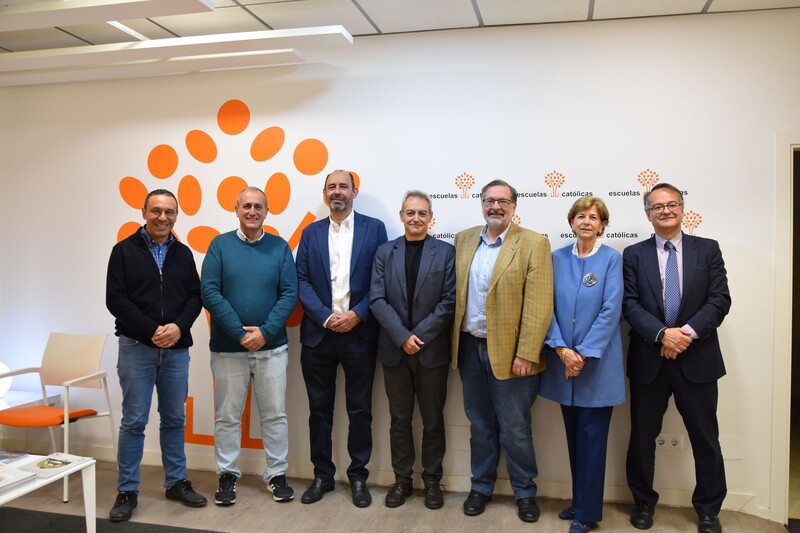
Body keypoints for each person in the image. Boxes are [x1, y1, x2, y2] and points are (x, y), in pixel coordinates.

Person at [623, 183, 731, 533]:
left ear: (682, 209)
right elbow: (629, 304)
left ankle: (709, 510)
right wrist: (661, 334)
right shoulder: (633, 254)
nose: (666, 210)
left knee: (705, 438)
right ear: (648, 214)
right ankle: (643, 503)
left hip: (697, 359)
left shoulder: (708, 249)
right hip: (649, 360)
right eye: (657, 207)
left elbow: (720, 299)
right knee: (642, 437)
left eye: (672, 204)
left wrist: (683, 334)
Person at [451, 179, 553, 523]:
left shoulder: (533, 243)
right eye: (489, 200)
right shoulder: (464, 239)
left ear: (514, 207)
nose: (495, 207)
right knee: (479, 424)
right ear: (482, 204)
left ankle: (525, 492)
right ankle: (481, 487)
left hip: (513, 355)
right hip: (470, 348)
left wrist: (527, 352)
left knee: (515, 428)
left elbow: (539, 304)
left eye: (503, 201)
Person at [105, 189, 207, 522]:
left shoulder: (183, 253)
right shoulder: (123, 251)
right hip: (137, 347)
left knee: (175, 418)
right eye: (156, 211)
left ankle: (176, 482)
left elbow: (195, 296)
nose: (163, 218)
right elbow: (116, 300)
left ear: (176, 215)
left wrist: (178, 327)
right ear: (144, 212)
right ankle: (127, 490)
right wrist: (152, 330)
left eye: (169, 212)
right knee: (134, 421)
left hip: (176, 350)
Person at [296, 169, 388, 508]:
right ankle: (322, 475)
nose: (337, 191)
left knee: (360, 409)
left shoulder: (374, 229)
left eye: (343, 186)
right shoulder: (310, 232)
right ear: (325, 194)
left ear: (354, 192)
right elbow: (301, 280)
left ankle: (358, 476)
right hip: (318, 335)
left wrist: (357, 314)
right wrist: (325, 316)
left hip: (359, 334)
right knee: (319, 410)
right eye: (332, 187)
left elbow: (381, 279)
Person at [201, 187, 298, 505]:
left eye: (258, 206)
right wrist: (241, 334)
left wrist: (265, 333)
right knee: (227, 417)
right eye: (246, 206)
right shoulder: (219, 245)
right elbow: (210, 292)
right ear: (236, 209)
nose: (252, 211)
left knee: (275, 415)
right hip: (228, 349)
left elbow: (289, 294)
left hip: (272, 349)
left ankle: (276, 474)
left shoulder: (280, 247)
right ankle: (226, 475)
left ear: (267, 211)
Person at [540, 196, 625, 533]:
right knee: (575, 439)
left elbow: (611, 310)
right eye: (580, 216)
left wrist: (583, 354)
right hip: (564, 365)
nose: (586, 221)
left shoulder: (611, 259)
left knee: (592, 441)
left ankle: (588, 514)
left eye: (593, 217)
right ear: (571, 222)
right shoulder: (556, 258)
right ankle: (579, 501)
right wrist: (562, 350)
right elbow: (545, 307)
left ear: (603, 224)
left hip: (596, 368)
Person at [369, 190, 455, 510]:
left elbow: (449, 301)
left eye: (422, 213)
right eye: (410, 212)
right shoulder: (384, 252)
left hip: (431, 352)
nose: (416, 218)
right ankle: (402, 480)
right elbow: (377, 299)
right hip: (394, 350)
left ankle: (432, 481)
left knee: (433, 419)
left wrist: (416, 336)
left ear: (431, 218)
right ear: (401, 216)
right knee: (399, 419)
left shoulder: (445, 252)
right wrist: (402, 336)